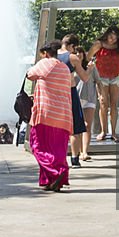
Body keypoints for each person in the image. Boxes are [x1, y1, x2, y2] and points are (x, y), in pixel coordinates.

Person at [26, 41, 73, 192]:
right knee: (58, 150)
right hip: (64, 116)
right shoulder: (64, 68)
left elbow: (29, 74)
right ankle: (52, 182)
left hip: (46, 114)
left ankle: (55, 173)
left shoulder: (45, 63)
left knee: (36, 145)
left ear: (46, 53)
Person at [88, 25, 119, 142]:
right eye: (110, 37)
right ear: (107, 35)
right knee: (103, 104)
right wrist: (91, 70)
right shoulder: (99, 44)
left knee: (114, 105)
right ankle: (103, 131)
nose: (112, 40)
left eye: (115, 38)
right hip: (102, 78)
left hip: (114, 77)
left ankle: (114, 132)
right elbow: (88, 56)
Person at [58, 35, 89, 165]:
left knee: (58, 127)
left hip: (55, 94)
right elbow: (85, 78)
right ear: (72, 46)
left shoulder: (51, 55)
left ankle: (58, 157)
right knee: (74, 127)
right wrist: (90, 68)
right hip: (70, 93)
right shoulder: (72, 58)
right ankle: (75, 159)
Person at [75, 48, 100, 161]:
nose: (78, 54)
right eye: (75, 52)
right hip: (76, 98)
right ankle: (79, 151)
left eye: (80, 52)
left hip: (90, 98)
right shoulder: (70, 67)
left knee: (87, 125)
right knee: (79, 126)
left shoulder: (90, 67)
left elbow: (98, 81)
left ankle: (85, 151)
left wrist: (101, 95)